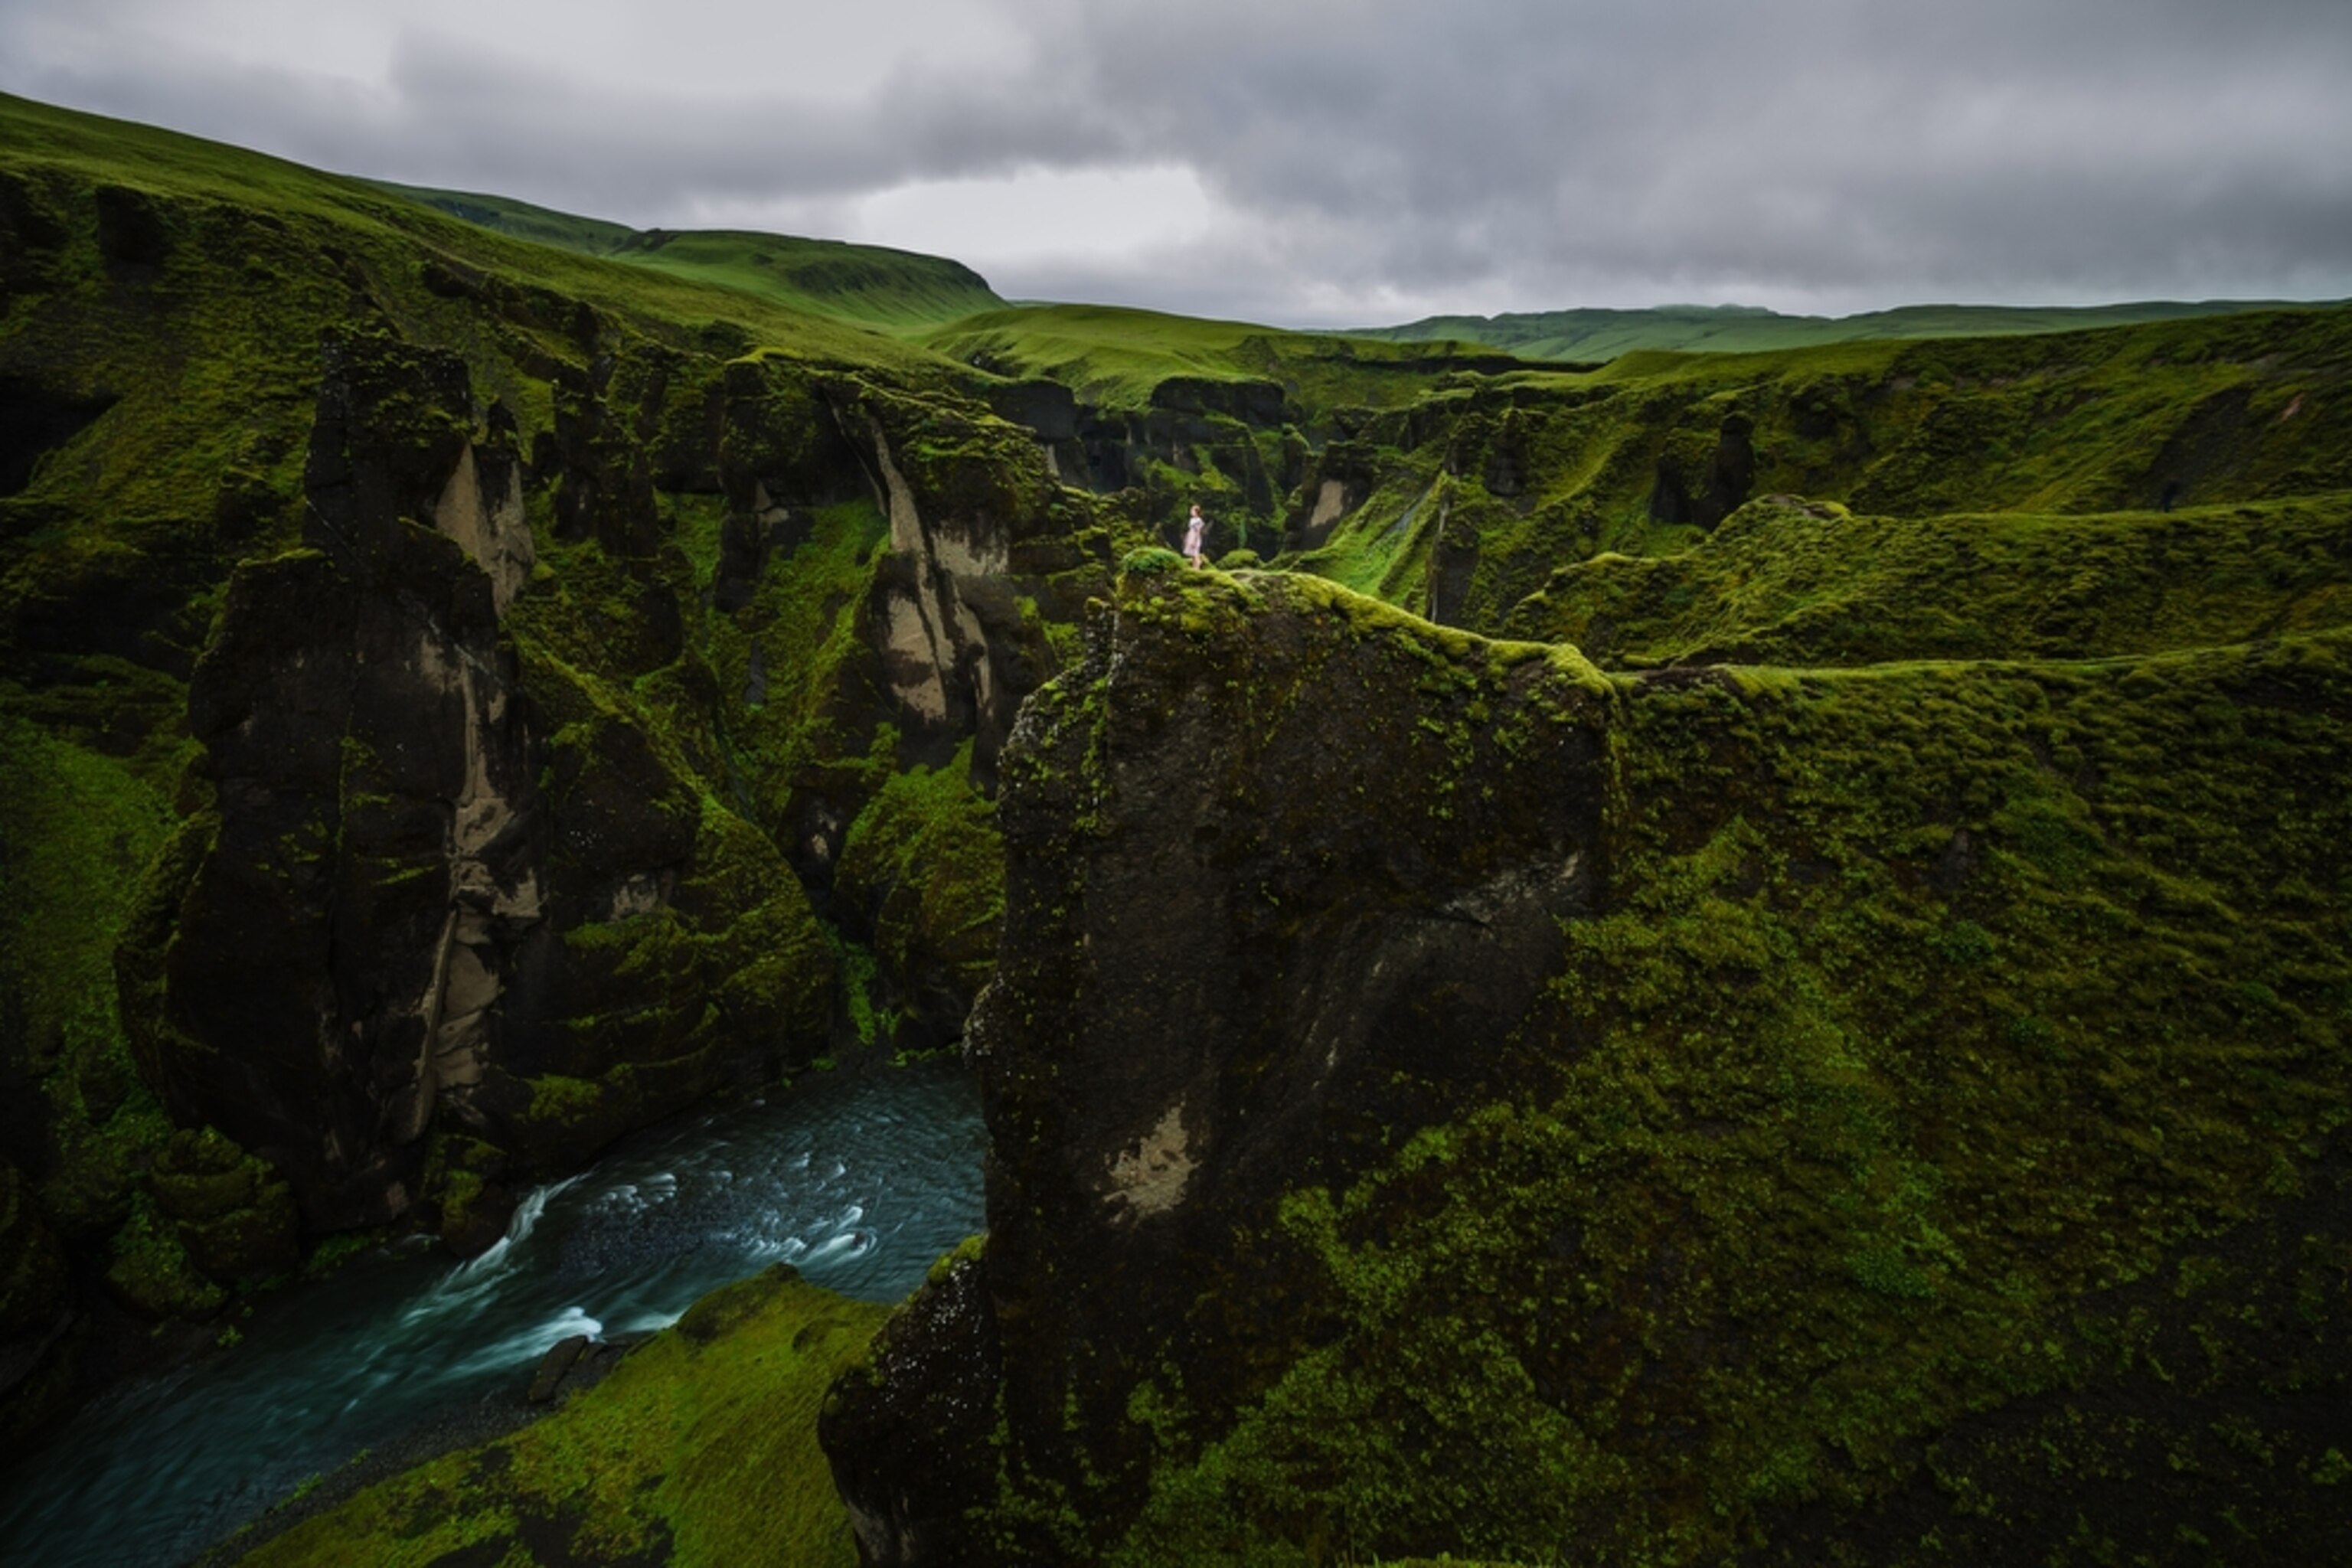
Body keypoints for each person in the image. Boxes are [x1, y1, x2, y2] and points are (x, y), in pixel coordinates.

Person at [1182, 503, 1207, 568]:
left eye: (1192, 511)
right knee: (1192, 554)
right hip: (1191, 536)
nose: (1191, 512)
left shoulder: (1198, 520)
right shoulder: (1192, 520)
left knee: (1196, 553)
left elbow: (1197, 532)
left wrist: (1195, 540)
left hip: (1195, 537)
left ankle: (1198, 566)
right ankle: (1194, 567)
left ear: (1196, 512)